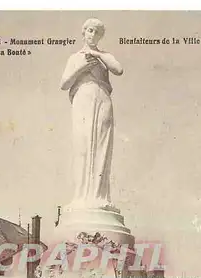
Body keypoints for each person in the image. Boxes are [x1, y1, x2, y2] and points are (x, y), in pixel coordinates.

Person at [60, 18, 123, 209]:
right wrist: (82, 68)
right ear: (84, 32)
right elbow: (63, 84)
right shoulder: (75, 57)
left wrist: (96, 55)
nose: (93, 35)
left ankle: (99, 196)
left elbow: (118, 69)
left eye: (97, 32)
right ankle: (80, 196)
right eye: (90, 31)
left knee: (101, 147)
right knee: (82, 147)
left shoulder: (104, 56)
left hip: (102, 98)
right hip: (82, 100)